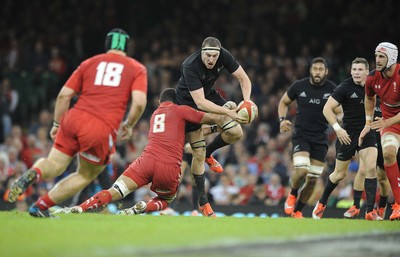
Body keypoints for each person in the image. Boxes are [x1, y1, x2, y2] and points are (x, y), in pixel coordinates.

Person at [7, 28, 148, 217]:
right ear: (127, 47)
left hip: (74, 117)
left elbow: (64, 95)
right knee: (85, 175)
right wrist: (129, 125)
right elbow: (139, 102)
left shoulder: (88, 63)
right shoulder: (136, 68)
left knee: (54, 164)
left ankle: (35, 171)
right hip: (100, 126)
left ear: (106, 45)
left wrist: (57, 124)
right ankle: (40, 206)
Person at [54, 88, 223, 216]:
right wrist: (229, 114)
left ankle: (79, 208)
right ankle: (142, 207)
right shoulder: (181, 110)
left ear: (159, 102)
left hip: (146, 160)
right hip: (169, 165)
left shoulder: (155, 114)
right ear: (176, 101)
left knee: (115, 191)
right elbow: (211, 118)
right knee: (166, 199)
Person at [175, 36, 251, 216]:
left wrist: (247, 102)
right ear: (201, 52)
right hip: (188, 106)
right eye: (208, 55)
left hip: (209, 96)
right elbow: (200, 103)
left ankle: (210, 151)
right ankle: (203, 202)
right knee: (197, 154)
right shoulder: (190, 65)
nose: (211, 59)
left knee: (236, 132)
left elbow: (244, 79)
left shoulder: (224, 55)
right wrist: (228, 113)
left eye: (214, 57)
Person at [312, 57, 381, 220]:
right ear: (351, 71)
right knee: (338, 174)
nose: (356, 73)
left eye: (360, 70)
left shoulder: (375, 84)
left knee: (370, 168)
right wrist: (337, 129)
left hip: (367, 131)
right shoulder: (345, 87)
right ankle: (321, 203)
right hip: (347, 135)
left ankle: (370, 212)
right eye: (354, 70)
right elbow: (327, 109)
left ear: (366, 71)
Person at [278, 57, 338, 218]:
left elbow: (340, 111)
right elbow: (283, 103)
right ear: (310, 70)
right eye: (315, 69)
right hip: (301, 136)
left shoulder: (333, 89)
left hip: (320, 139)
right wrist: (282, 120)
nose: (317, 72)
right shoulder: (299, 86)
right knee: (302, 170)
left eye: (321, 69)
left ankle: (297, 211)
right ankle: (292, 193)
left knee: (312, 180)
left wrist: (341, 122)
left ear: (326, 72)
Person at [359, 42, 400, 221]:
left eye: (381, 56)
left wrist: (386, 122)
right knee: (389, 153)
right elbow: (369, 97)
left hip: (390, 121)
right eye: (376, 55)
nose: (377, 59)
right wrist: (368, 122)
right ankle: (398, 205)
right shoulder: (371, 78)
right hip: (390, 124)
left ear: (391, 58)